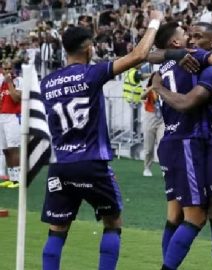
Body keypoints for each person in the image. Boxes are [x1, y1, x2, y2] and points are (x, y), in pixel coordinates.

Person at [39, 10, 164, 270]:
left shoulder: (46, 82)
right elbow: (139, 56)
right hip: (91, 161)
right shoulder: (92, 73)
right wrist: (154, 22)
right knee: (112, 221)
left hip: (59, 163)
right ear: (88, 48)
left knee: (57, 228)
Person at [150, 22, 212, 270]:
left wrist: (156, 84)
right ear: (175, 43)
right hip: (192, 142)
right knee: (206, 213)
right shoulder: (188, 60)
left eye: (197, 36)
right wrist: (158, 84)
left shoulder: (177, 64)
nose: (192, 40)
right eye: (188, 36)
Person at [0, 59, 22, 188]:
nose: (7, 71)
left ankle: (18, 179)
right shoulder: (1, 83)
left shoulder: (18, 81)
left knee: (13, 148)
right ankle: (11, 177)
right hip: (2, 116)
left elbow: (16, 98)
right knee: (5, 149)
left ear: (13, 69)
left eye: (9, 69)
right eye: (5, 69)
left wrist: (9, 83)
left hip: (13, 117)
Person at [141, 75, 164, 177]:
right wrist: (151, 87)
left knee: (163, 146)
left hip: (162, 119)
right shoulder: (147, 88)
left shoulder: (164, 89)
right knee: (148, 148)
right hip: (150, 117)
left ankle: (164, 169)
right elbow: (142, 96)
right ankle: (147, 168)